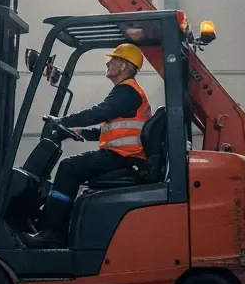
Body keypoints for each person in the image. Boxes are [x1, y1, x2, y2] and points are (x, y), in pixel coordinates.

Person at [25, 43, 151, 248]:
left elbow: (98, 112)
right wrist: (78, 133)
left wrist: (63, 121)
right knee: (72, 168)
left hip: (124, 157)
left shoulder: (127, 91)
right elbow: (110, 127)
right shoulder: (126, 93)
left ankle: (54, 231)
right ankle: (54, 223)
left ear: (123, 66)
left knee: (68, 168)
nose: (108, 63)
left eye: (113, 60)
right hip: (123, 155)